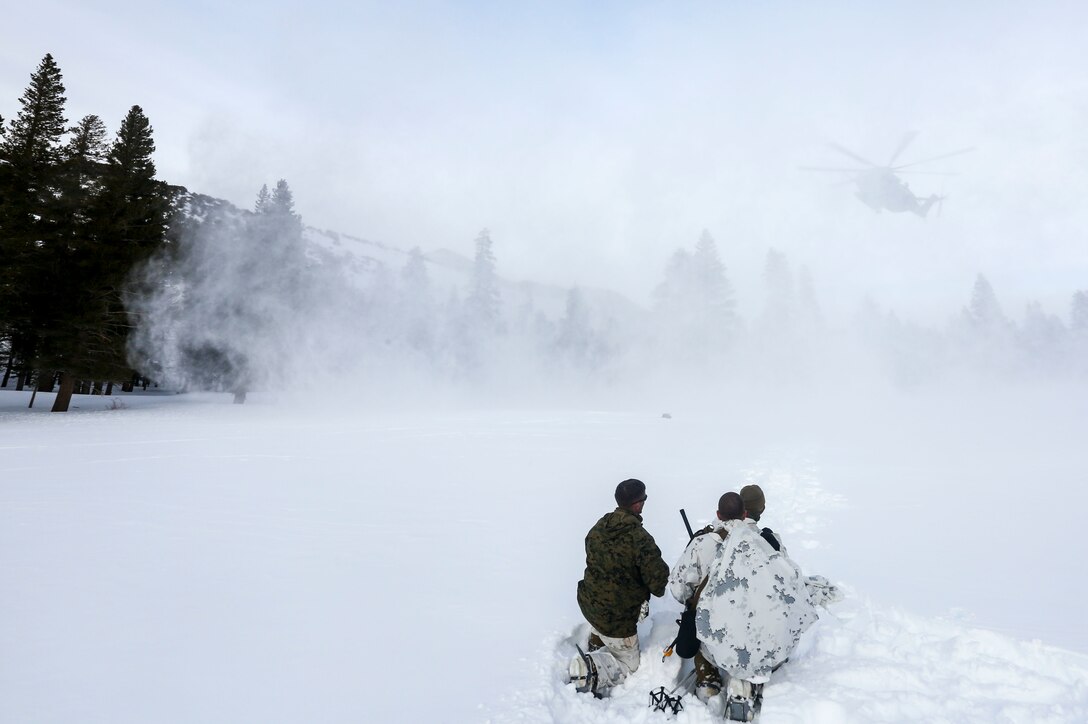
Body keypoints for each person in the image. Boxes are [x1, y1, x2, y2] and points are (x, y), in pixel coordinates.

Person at [692, 490, 824, 721]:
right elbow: (790, 584)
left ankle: (709, 681)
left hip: (722, 640)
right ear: (748, 512)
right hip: (767, 642)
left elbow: (677, 589)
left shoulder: (706, 541)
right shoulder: (769, 541)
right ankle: (749, 681)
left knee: (700, 633)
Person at [569, 478, 670, 694]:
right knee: (629, 667)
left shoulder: (598, 528)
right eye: (644, 499)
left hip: (589, 604)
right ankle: (589, 670)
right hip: (618, 620)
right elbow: (659, 585)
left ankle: (597, 640)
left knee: (606, 605)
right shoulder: (640, 539)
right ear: (637, 504)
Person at [668, 491, 744, 702]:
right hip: (747, 625)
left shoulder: (701, 544)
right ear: (744, 514)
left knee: (702, 638)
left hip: (712, 626)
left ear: (718, 515)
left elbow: (677, 588)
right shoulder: (759, 542)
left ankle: (708, 680)